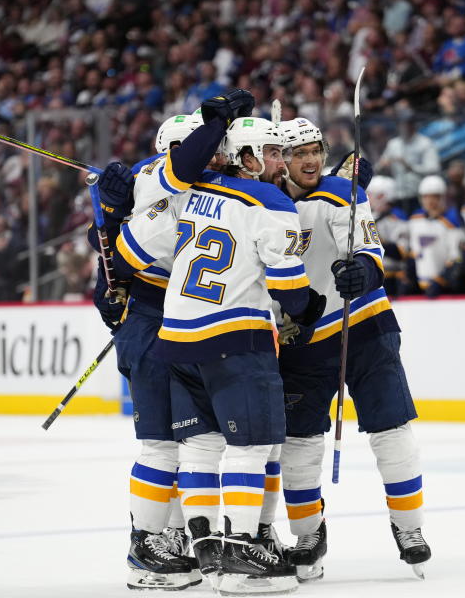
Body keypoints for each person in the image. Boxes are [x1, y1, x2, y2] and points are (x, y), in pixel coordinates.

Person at [115, 114, 324, 595]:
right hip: (235, 337)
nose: (282, 161)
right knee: (252, 447)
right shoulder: (268, 199)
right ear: (246, 157)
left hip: (177, 341)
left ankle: (199, 543)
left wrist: (108, 215)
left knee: (199, 446)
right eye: (272, 152)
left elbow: (124, 252)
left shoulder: (188, 189)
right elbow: (290, 286)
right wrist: (308, 307)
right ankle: (240, 552)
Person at [89, 93, 251, 591]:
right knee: (160, 444)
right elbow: (119, 267)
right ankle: (145, 545)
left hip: (190, 328)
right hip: (154, 324)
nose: (214, 155)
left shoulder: (198, 192)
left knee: (192, 443)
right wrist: (112, 218)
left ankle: (174, 534)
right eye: (205, 147)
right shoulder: (162, 192)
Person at [274, 116, 430, 581]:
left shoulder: (344, 193)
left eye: (314, 151)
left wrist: (364, 271)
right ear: (278, 160)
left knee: (392, 430)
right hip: (302, 337)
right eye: (298, 153)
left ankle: (410, 528)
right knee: (298, 445)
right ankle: (308, 533)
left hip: (365, 325)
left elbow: (370, 248)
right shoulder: (266, 204)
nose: (309, 160)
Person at [408, 175, 465, 298]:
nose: (430, 201)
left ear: (442, 197)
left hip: (445, 288)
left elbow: (456, 259)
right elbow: (414, 252)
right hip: (421, 286)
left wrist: (440, 281)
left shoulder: (452, 222)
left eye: (434, 196)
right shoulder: (415, 220)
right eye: (426, 196)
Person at [376, 113, 441, 213]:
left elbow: (433, 168)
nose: (404, 127)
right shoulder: (393, 144)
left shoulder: (425, 143)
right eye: (402, 124)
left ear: (413, 125)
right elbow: (379, 165)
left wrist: (411, 167)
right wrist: (383, 165)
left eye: (407, 124)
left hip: (418, 194)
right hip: (398, 195)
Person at [366, 175, 410, 296]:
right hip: (370, 277)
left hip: (392, 277)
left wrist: (376, 240)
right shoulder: (367, 216)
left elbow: (401, 252)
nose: (367, 198)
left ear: (381, 196)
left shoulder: (399, 219)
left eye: (370, 195)